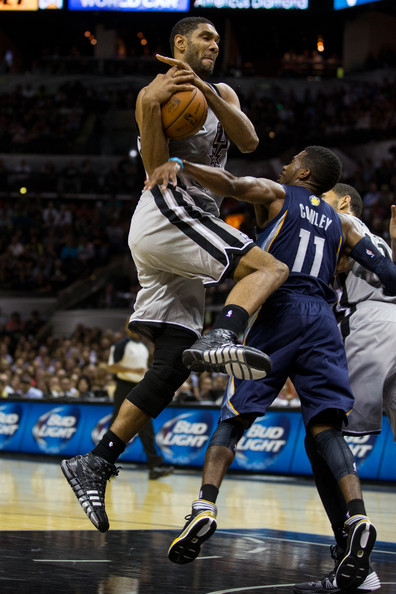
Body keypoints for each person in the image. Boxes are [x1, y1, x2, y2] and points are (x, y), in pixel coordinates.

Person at [60, 16, 288, 534]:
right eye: (205, 37)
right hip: (170, 210)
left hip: (184, 219)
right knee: (269, 267)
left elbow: (248, 141)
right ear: (179, 44)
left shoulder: (220, 91)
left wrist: (209, 91)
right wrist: (146, 106)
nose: (214, 43)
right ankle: (226, 332)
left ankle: (96, 460)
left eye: (217, 38)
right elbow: (158, 167)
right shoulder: (157, 94)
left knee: (171, 365)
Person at [147, 148, 396, 592]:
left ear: (303, 173)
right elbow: (390, 276)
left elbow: (234, 184)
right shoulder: (342, 224)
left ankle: (204, 506)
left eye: (292, 161)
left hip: (280, 308)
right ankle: (356, 515)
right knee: (326, 429)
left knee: (235, 416)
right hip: (324, 319)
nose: (283, 166)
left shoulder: (282, 193)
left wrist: (183, 166)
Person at [292, 183, 396, 594]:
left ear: (345, 202)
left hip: (368, 331)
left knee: (321, 435)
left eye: (324, 200)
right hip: (393, 323)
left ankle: (352, 553)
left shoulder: (340, 222)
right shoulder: (375, 241)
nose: (315, 207)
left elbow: (326, 263)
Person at [107, 329, 174, 480]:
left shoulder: (143, 347)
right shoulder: (120, 345)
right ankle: (104, 462)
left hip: (139, 387)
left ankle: (154, 465)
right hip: (124, 387)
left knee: (145, 425)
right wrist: (132, 370)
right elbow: (112, 367)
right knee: (116, 426)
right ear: (126, 327)